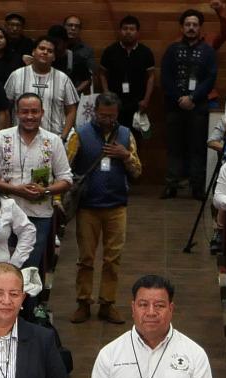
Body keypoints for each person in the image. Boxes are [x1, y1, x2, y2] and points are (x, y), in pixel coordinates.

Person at [65, 95, 140, 323]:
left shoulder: (126, 135)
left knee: (112, 259)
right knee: (86, 258)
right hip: (88, 207)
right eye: (103, 115)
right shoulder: (79, 133)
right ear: (94, 112)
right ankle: (83, 302)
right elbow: (65, 167)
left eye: (112, 115)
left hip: (117, 206)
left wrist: (125, 155)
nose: (107, 119)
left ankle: (108, 303)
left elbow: (137, 171)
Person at [159, 9, 221, 197]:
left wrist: (192, 98)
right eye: (188, 24)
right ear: (182, 27)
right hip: (174, 105)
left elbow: (210, 78)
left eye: (195, 25)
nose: (191, 28)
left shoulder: (208, 51)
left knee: (197, 147)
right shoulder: (172, 49)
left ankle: (196, 186)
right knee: (174, 147)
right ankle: (171, 185)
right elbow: (166, 77)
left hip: (198, 106)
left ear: (200, 28)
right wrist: (180, 98)